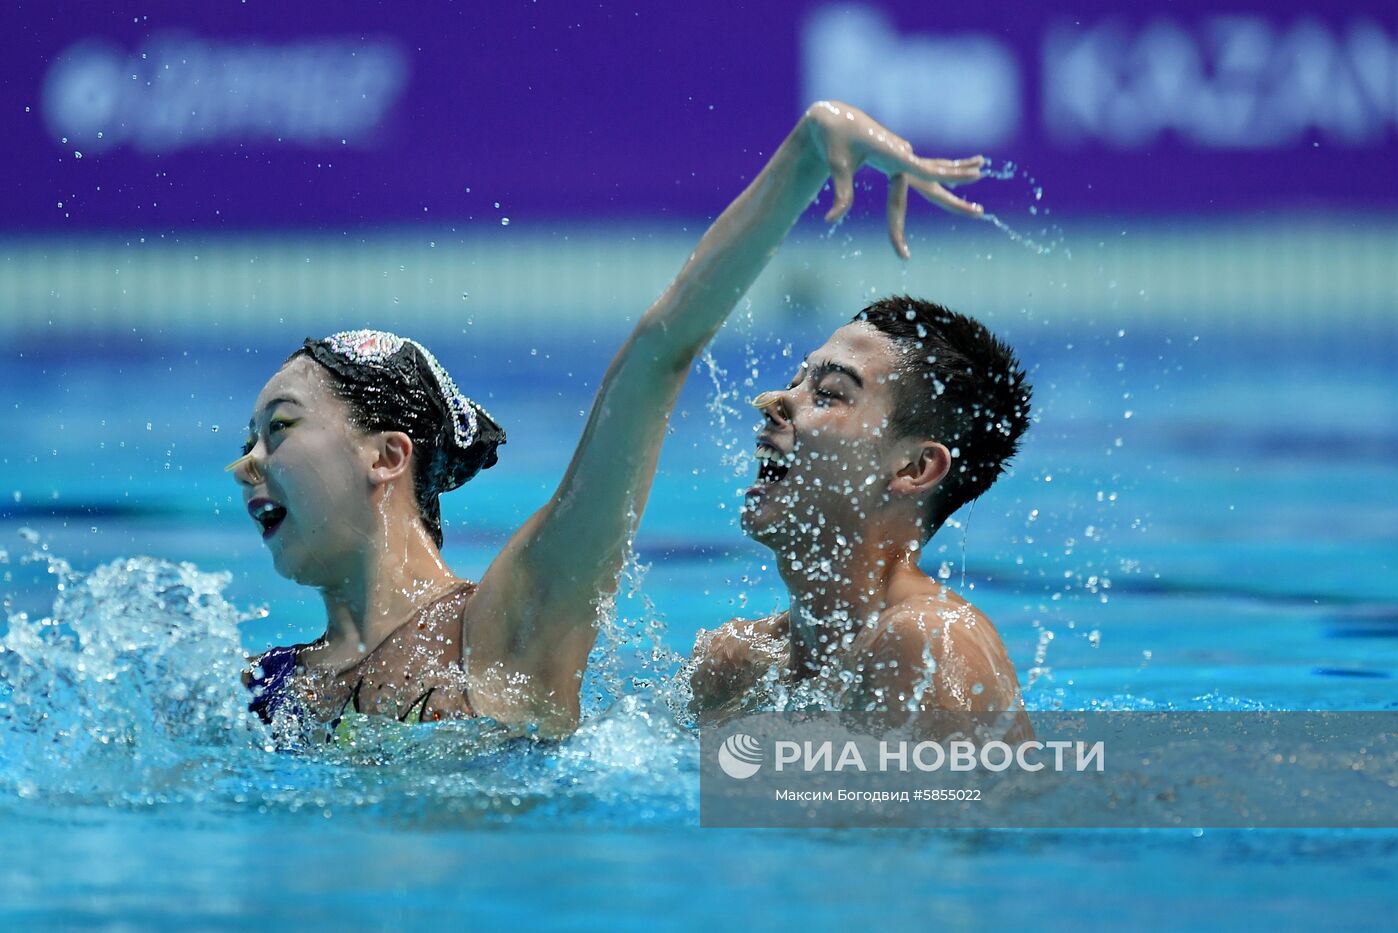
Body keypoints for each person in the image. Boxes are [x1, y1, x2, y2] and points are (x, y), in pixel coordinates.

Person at [228, 101, 988, 740]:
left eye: (281, 429)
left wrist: (806, 155)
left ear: (388, 455)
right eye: (247, 441)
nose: (247, 463)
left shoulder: (511, 620)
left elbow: (655, 358)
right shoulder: (266, 689)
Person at [688, 295, 1034, 740]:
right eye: (794, 382)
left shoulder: (928, 642)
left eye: (828, 394)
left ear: (915, 468)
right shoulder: (734, 657)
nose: (774, 400)